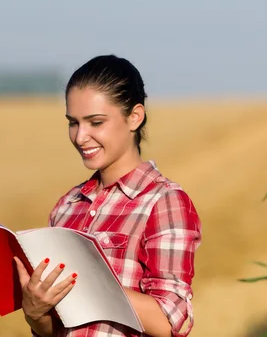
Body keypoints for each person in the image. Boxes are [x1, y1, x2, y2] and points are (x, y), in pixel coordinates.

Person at [13, 54, 202, 337]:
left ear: (134, 117)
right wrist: (35, 313)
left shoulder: (163, 201)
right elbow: (55, 331)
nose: (80, 137)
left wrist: (90, 282)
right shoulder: (67, 205)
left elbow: (170, 321)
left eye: (95, 122)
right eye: (73, 123)